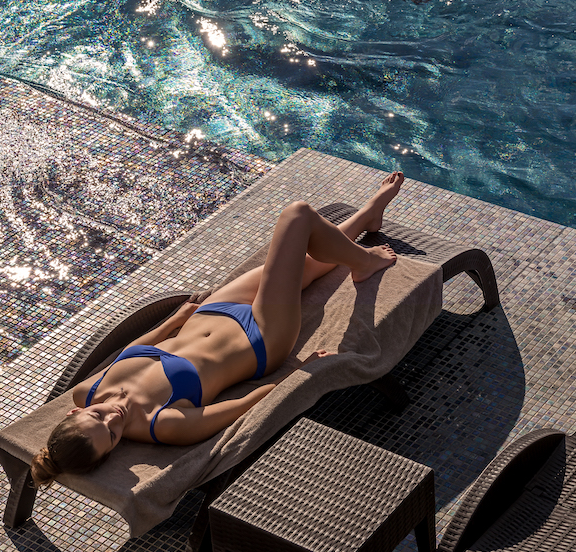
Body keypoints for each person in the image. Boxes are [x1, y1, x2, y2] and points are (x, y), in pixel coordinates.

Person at [31, 173, 405, 487]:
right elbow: (243, 407)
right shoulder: (163, 425)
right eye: (112, 436)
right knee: (297, 217)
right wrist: (300, 373)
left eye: (97, 417)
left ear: (72, 414)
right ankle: (364, 261)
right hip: (261, 337)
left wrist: (174, 321)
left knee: (302, 263)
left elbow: (131, 350)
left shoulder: (85, 391)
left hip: (213, 313)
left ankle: (368, 217)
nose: (113, 418)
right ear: (114, 450)